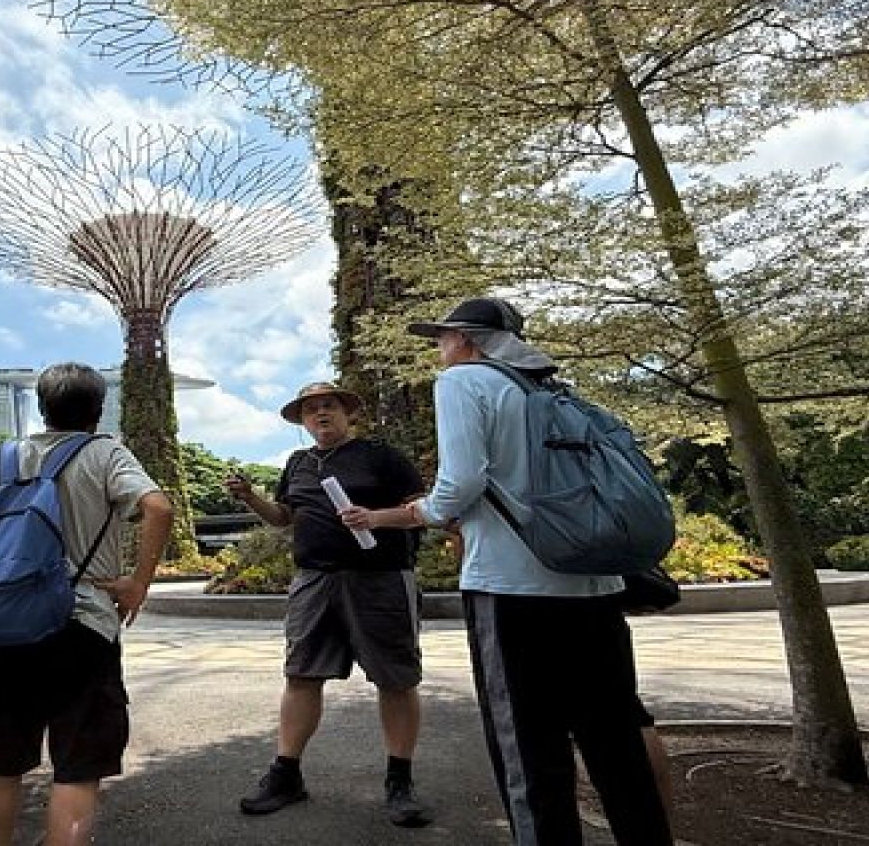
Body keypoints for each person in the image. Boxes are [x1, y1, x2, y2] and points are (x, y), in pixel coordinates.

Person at [340, 297, 673, 846]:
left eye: (444, 339)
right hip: (596, 584)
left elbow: (461, 484)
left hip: (513, 589)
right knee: (615, 740)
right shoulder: (550, 390)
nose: (441, 350)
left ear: (468, 340)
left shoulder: (465, 382)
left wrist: (419, 512)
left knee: (530, 748)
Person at [0, 363, 176, 846]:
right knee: (77, 764)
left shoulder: (3, 457)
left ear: (42, 409)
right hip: (82, 625)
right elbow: (158, 507)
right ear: (98, 411)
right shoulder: (106, 453)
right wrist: (137, 583)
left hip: (9, 626)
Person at [228, 380, 433, 828]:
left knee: (395, 678)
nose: (320, 414)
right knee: (301, 674)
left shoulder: (381, 455)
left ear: (347, 412)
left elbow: (425, 508)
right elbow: (285, 518)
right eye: (310, 410)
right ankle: (286, 775)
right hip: (313, 579)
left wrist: (376, 518)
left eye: (328, 406)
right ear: (302, 421)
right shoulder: (298, 463)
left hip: (379, 579)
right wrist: (251, 499)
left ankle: (400, 780)